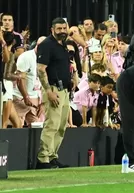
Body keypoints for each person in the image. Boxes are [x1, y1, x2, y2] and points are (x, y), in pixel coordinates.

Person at [36, 18, 73, 169]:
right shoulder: (46, 45)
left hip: (64, 89)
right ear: (52, 29)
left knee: (61, 126)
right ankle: (43, 159)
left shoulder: (63, 44)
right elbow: (40, 69)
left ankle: (52, 156)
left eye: (64, 28)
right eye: (59, 29)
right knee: (51, 124)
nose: (62, 31)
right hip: (53, 89)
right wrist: (49, 91)